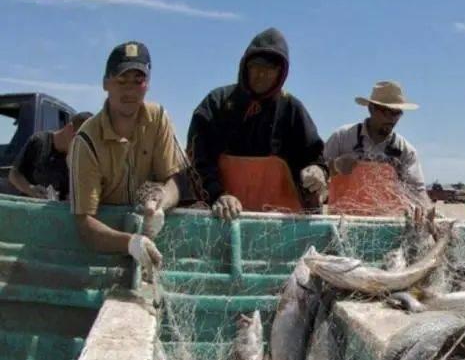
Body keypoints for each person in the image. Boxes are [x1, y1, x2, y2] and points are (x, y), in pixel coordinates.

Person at [68, 41, 187, 272]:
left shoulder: (159, 117)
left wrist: (162, 202)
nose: (130, 90)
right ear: (105, 83)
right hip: (103, 245)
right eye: (121, 81)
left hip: (151, 233)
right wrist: (130, 243)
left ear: (147, 85)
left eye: (138, 81)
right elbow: (84, 224)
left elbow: (174, 179)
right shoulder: (86, 141)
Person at [187, 27, 327, 220]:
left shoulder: (291, 109)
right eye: (256, 66)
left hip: (281, 224)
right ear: (245, 66)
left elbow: (316, 158)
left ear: (281, 73)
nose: (261, 75)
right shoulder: (216, 103)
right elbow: (197, 160)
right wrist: (217, 194)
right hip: (223, 218)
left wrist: (317, 171)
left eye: (270, 69)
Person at [322, 81, 430, 215]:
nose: (392, 119)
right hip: (342, 226)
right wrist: (335, 166)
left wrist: (425, 210)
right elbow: (318, 172)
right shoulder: (342, 137)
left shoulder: (406, 151)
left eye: (397, 113)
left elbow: (417, 191)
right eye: (387, 112)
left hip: (387, 228)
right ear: (371, 108)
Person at [8, 111, 91, 200]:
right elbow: (14, 174)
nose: (81, 147)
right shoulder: (39, 141)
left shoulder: (75, 159)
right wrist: (31, 189)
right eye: (80, 141)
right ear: (69, 129)